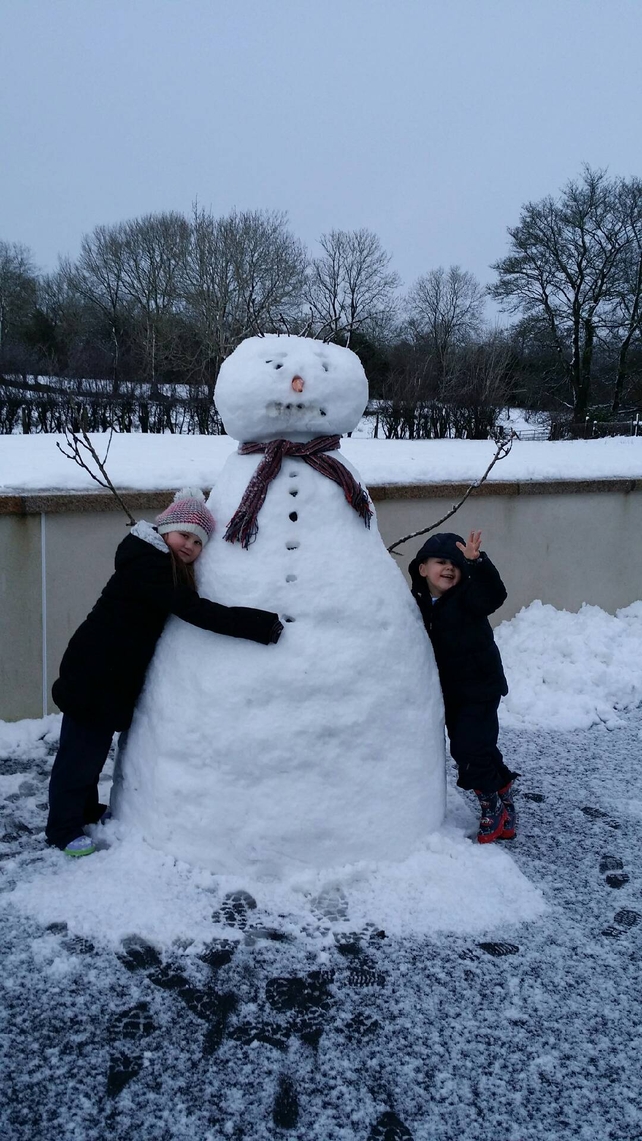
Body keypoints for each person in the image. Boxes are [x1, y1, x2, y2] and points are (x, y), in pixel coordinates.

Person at [46, 488, 283, 858]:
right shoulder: (150, 566)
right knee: (79, 756)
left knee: (90, 752)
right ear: (165, 529)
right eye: (184, 535)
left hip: (106, 670)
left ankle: (83, 811)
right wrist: (260, 625)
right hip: (95, 671)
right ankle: (62, 829)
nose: (189, 545)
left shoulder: (154, 561)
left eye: (198, 542)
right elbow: (196, 611)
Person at [409, 530, 517, 844]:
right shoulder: (418, 604)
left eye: (455, 564)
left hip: (480, 688)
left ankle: (492, 807)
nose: (449, 568)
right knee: (480, 747)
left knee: (467, 750)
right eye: (441, 562)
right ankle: (504, 795)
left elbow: (494, 594)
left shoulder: (469, 597)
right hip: (452, 693)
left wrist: (477, 563)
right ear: (422, 568)